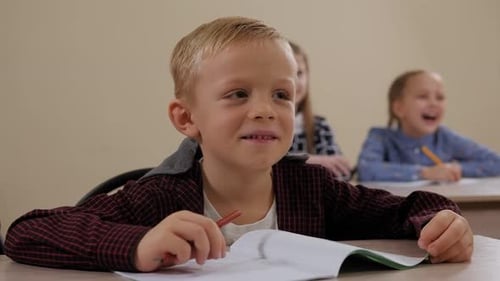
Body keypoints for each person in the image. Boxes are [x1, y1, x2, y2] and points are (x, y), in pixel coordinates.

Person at [5, 18, 472, 273]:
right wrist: (139, 243)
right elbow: (27, 232)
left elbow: (408, 207)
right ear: (187, 119)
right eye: (238, 94)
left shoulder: (313, 187)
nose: (266, 110)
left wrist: (439, 220)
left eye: (282, 95)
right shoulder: (161, 197)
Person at [357, 70, 500, 182]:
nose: (434, 103)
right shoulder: (380, 137)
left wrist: (456, 169)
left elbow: (496, 162)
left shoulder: (445, 137)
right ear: (399, 108)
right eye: (423, 96)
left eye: (440, 97)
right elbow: (366, 169)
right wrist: (424, 173)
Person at [288, 41, 352, 179]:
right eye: (287, 73)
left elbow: (340, 172)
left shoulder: (319, 126)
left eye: (299, 73)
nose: (295, 81)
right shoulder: (265, 124)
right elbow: (265, 166)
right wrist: (311, 161)